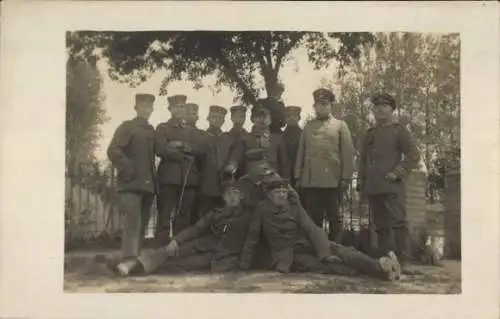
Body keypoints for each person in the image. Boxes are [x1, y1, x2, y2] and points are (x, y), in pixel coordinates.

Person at [239, 176, 400, 281]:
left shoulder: (294, 207)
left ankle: (379, 267)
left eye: (283, 192)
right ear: (269, 195)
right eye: (277, 192)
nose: (282, 195)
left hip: (306, 243)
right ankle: (383, 272)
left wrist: (325, 252)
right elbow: (252, 238)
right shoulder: (261, 211)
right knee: (330, 267)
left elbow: (311, 228)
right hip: (287, 255)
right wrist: (243, 265)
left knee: (342, 251)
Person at [111, 182, 253, 277]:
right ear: (224, 197)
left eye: (235, 193)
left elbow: (251, 242)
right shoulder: (215, 213)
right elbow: (196, 229)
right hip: (202, 245)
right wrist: (177, 240)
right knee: (169, 251)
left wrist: (242, 263)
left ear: (242, 196)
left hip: (218, 256)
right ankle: (130, 266)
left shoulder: (248, 216)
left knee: (177, 265)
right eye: (229, 194)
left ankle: (133, 267)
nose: (232, 197)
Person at [358, 92, 420, 276]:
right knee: (381, 226)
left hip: (393, 186)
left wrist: (397, 173)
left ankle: (405, 260)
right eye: (376, 107)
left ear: (392, 110)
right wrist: (362, 183)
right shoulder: (370, 134)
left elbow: (413, 155)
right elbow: (363, 161)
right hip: (375, 186)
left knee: (399, 223)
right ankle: (389, 260)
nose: (380, 110)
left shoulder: (399, 131)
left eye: (384, 107)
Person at [294, 88, 356, 241]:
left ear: (330, 106)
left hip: (332, 181)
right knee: (314, 218)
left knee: (334, 218)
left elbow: (348, 153)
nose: (321, 107)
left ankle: (337, 249)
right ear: (314, 107)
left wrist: (346, 178)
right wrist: (298, 176)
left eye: (324, 104)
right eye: (318, 105)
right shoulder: (308, 127)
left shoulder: (340, 125)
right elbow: (301, 152)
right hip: (311, 181)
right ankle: (318, 251)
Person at [106, 93, 157, 263]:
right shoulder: (127, 127)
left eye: (149, 107)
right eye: (143, 107)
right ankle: (128, 257)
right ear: (136, 108)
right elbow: (113, 150)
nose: (146, 110)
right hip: (131, 183)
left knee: (143, 223)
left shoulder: (151, 130)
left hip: (148, 184)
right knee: (132, 222)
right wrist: (128, 167)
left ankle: (136, 260)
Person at [155, 95, 204, 244]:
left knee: (183, 216)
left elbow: (199, 149)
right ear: (170, 109)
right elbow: (161, 149)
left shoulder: (192, 131)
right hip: (169, 178)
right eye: (176, 107)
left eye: (182, 107)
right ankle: (161, 250)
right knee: (164, 215)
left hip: (188, 178)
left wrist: (180, 145)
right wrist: (184, 154)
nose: (179, 110)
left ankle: (178, 250)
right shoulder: (162, 128)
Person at [224, 106, 290, 180]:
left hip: (273, 181)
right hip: (251, 180)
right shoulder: (245, 139)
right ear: (253, 120)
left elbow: (284, 164)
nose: (261, 120)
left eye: (265, 117)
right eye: (258, 117)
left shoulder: (277, 139)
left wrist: (286, 180)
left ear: (270, 120)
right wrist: (231, 167)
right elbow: (235, 157)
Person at [199, 105, 229, 218]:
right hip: (206, 184)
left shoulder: (226, 138)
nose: (217, 120)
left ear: (223, 121)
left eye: (220, 118)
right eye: (214, 117)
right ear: (208, 118)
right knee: (205, 216)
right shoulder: (202, 136)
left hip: (223, 184)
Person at [282, 106, 302, 188]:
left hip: (300, 175)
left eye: (294, 115)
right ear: (284, 119)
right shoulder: (280, 136)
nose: (291, 118)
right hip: (284, 175)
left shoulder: (304, 135)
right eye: (288, 116)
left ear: (299, 118)